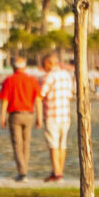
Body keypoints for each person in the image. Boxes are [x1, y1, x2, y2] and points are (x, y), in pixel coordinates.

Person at [0, 58, 43, 181]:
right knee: (26, 144)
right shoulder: (32, 80)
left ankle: (22, 173)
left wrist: (2, 117)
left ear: (13, 67)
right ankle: (24, 171)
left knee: (17, 144)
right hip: (29, 115)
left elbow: (5, 100)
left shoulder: (9, 81)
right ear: (24, 67)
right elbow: (38, 100)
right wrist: (40, 117)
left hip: (15, 115)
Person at [37, 51, 76, 183]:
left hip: (52, 115)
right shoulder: (66, 75)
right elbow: (70, 95)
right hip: (65, 115)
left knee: (53, 145)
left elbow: (41, 94)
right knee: (62, 144)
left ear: (49, 63)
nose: (43, 68)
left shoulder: (50, 76)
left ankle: (57, 174)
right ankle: (59, 171)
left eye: (44, 65)